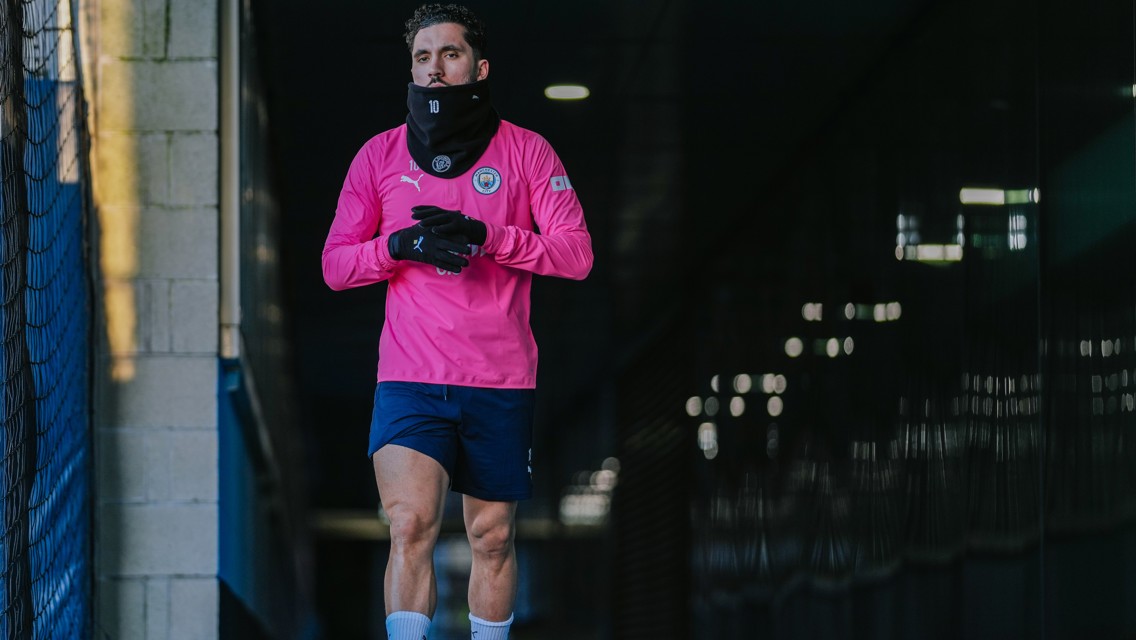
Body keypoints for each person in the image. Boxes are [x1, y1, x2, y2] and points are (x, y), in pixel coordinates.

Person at [321, 4, 593, 639]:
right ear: (411, 70)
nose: (436, 69)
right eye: (423, 56)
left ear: (479, 66)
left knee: (491, 536)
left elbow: (576, 255)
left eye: (450, 54)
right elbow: (335, 265)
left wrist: (490, 237)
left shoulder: (527, 151)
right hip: (411, 376)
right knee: (410, 523)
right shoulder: (378, 156)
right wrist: (398, 248)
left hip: (500, 378)